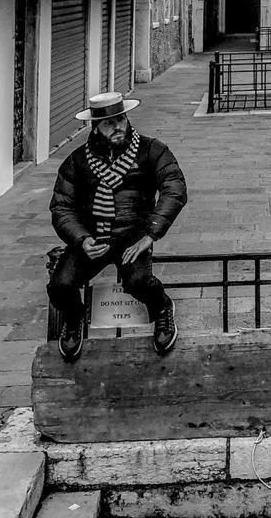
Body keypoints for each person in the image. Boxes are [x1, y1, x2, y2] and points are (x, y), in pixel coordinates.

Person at [47, 90, 188, 361]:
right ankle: (74, 317)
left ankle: (162, 309)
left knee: (138, 282)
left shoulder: (152, 150)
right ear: (95, 127)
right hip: (93, 238)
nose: (118, 127)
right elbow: (61, 207)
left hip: (134, 237)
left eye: (121, 119)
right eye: (109, 123)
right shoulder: (77, 161)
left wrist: (150, 234)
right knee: (60, 285)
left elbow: (174, 189)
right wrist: (82, 239)